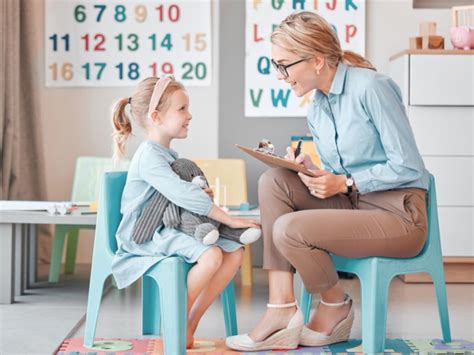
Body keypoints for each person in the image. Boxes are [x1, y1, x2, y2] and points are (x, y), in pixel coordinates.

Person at [226, 11, 429, 351]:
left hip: (399, 215)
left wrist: (346, 183)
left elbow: (409, 167)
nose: (280, 76)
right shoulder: (317, 106)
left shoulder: (372, 88)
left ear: (317, 60)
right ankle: (281, 308)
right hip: (355, 207)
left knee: (289, 228)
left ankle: (335, 304)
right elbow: (337, 174)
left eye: (284, 65)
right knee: (274, 181)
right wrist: (311, 172)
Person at [110, 75, 260, 348]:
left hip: (167, 228)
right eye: (182, 109)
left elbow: (179, 195)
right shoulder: (149, 157)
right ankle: (176, 320)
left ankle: (190, 322)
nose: (189, 115)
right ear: (156, 116)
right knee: (212, 254)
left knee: (234, 251)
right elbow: (181, 194)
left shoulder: (168, 155)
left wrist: (201, 195)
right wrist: (228, 219)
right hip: (145, 233)